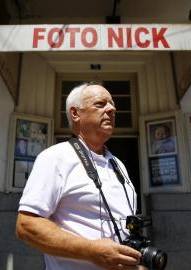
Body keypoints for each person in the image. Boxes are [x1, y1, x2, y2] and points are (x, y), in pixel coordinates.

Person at [16, 83, 142, 270]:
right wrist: (91, 251)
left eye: (113, 104)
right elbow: (26, 226)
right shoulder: (55, 157)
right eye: (101, 104)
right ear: (75, 113)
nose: (112, 109)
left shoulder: (117, 164)